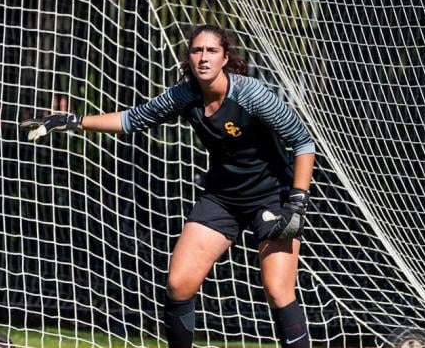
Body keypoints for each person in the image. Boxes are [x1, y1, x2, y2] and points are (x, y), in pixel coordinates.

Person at [21, 24, 316, 348]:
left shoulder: (251, 94)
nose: (203, 58)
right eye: (197, 51)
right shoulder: (186, 94)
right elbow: (132, 120)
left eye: (211, 51)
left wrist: (296, 205)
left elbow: (302, 142)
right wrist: (73, 122)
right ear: (188, 57)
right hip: (222, 198)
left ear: (225, 57)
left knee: (278, 290)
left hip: (272, 197)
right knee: (178, 284)